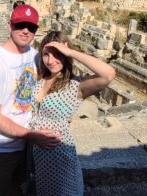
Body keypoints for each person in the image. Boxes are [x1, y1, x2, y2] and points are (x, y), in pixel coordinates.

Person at [0, 5, 61, 196]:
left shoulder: (34, 55)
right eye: (20, 25)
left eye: (31, 27)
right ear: (9, 25)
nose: (25, 31)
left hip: (24, 144)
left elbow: (43, 87)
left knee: (17, 189)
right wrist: (30, 135)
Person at [30, 31, 116, 196]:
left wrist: (71, 52)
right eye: (46, 55)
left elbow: (108, 74)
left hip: (60, 155)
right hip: (38, 157)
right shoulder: (39, 79)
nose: (51, 60)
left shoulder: (75, 86)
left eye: (58, 54)